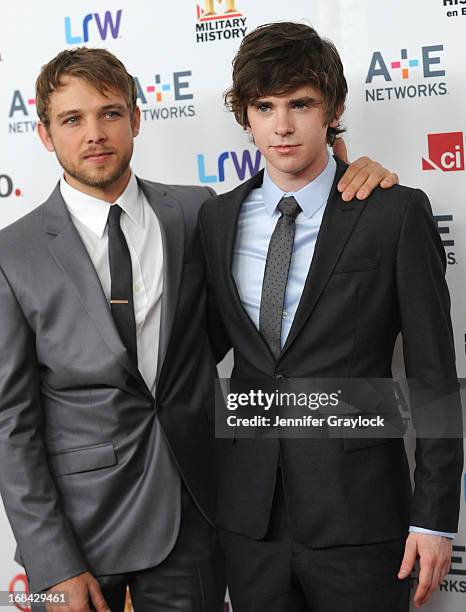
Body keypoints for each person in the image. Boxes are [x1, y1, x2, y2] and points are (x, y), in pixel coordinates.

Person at [0, 47, 395, 612]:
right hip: (74, 531)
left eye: (111, 113)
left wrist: (351, 172)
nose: (95, 133)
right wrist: (50, 561)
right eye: (72, 119)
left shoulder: (199, 213)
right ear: (43, 133)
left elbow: (252, 314)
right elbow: (10, 424)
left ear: (136, 119)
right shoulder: (11, 253)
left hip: (197, 518)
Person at [198, 22, 464, 612]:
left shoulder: (393, 213)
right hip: (249, 522)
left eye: (300, 104)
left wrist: (436, 517)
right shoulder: (215, 220)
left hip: (362, 516)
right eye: (264, 107)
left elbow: (433, 373)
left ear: (333, 109)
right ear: (245, 115)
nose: (282, 126)